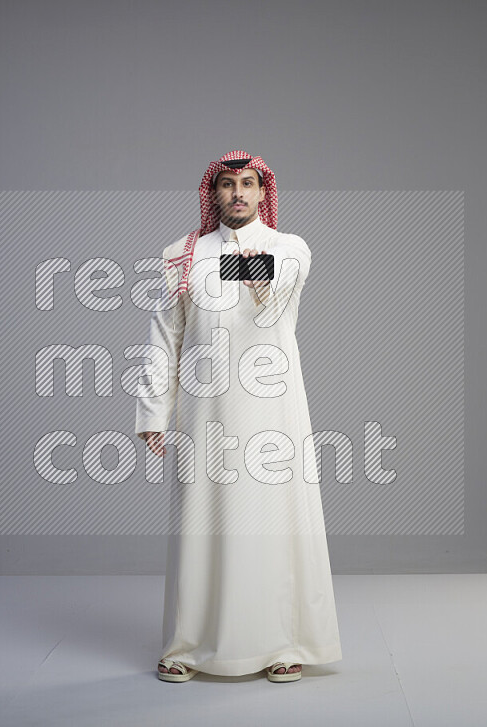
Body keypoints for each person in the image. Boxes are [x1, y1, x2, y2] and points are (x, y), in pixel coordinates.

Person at [135, 150, 342, 683]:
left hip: (272, 410)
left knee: (272, 521)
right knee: (199, 525)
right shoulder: (180, 254)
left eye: (248, 184)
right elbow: (165, 337)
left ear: (262, 191)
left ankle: (281, 644)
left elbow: (279, 284)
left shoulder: (290, 248)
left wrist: (220, 260)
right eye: (227, 185)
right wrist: (154, 410)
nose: (238, 195)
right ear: (214, 194)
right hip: (203, 411)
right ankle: (186, 645)